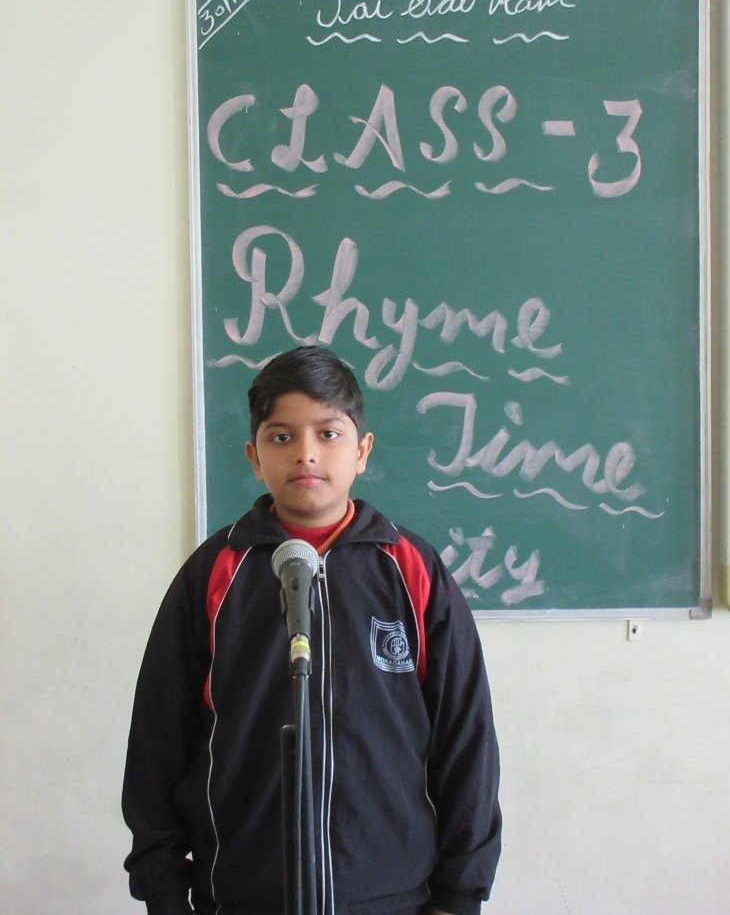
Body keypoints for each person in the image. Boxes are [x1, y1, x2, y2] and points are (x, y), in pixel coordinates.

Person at [122, 346, 502, 915]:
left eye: (328, 434)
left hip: (391, 899)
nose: (306, 453)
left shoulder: (411, 570)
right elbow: (157, 745)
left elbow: (466, 739)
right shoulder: (215, 573)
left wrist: (459, 895)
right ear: (254, 457)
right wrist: (165, 891)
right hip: (243, 896)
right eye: (281, 437)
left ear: (362, 450)